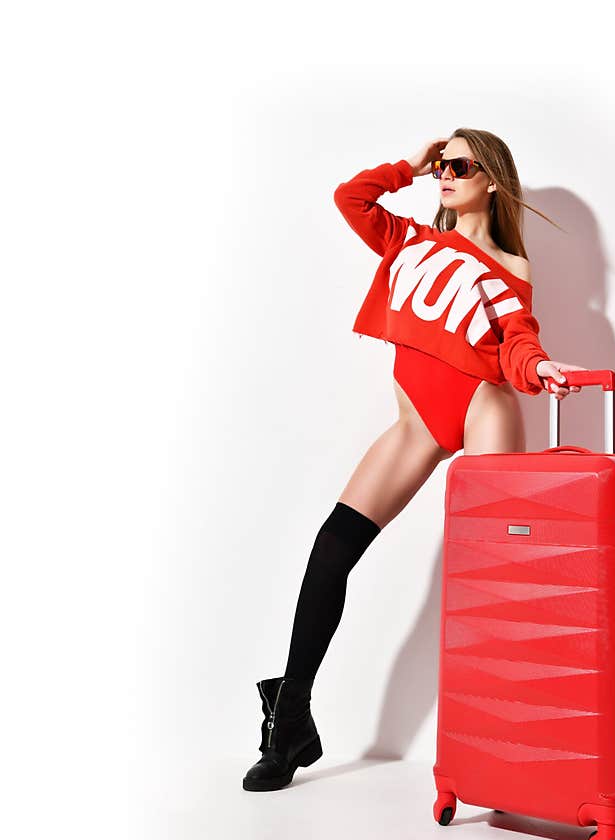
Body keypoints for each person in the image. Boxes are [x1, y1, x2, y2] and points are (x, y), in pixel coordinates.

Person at [243, 127, 588, 792]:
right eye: (441, 165)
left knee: (493, 578)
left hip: (483, 406)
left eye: (458, 165)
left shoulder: (512, 270)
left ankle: (512, 743)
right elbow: (352, 198)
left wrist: (539, 368)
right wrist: (410, 161)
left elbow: (516, 340)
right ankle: (290, 720)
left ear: (490, 178)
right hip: (414, 424)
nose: (445, 174)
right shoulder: (408, 239)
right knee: (332, 548)